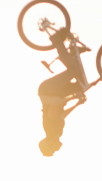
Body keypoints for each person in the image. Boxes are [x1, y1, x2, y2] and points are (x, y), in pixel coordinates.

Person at [37, 28, 87, 157]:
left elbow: (55, 104)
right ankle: (74, 53)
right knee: (82, 85)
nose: (56, 150)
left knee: (74, 70)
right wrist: (77, 104)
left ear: (49, 143)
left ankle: (57, 41)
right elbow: (62, 115)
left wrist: (73, 97)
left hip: (48, 90)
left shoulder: (50, 129)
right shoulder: (56, 133)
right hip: (56, 93)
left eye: (53, 150)